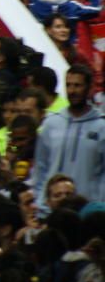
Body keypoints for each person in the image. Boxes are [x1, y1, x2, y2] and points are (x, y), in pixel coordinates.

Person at [33, 65, 105, 207]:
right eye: (68, 85)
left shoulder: (102, 127)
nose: (72, 91)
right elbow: (41, 168)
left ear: (89, 88)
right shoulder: (51, 123)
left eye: (77, 85)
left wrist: (99, 204)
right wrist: (41, 202)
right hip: (52, 208)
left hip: (88, 209)